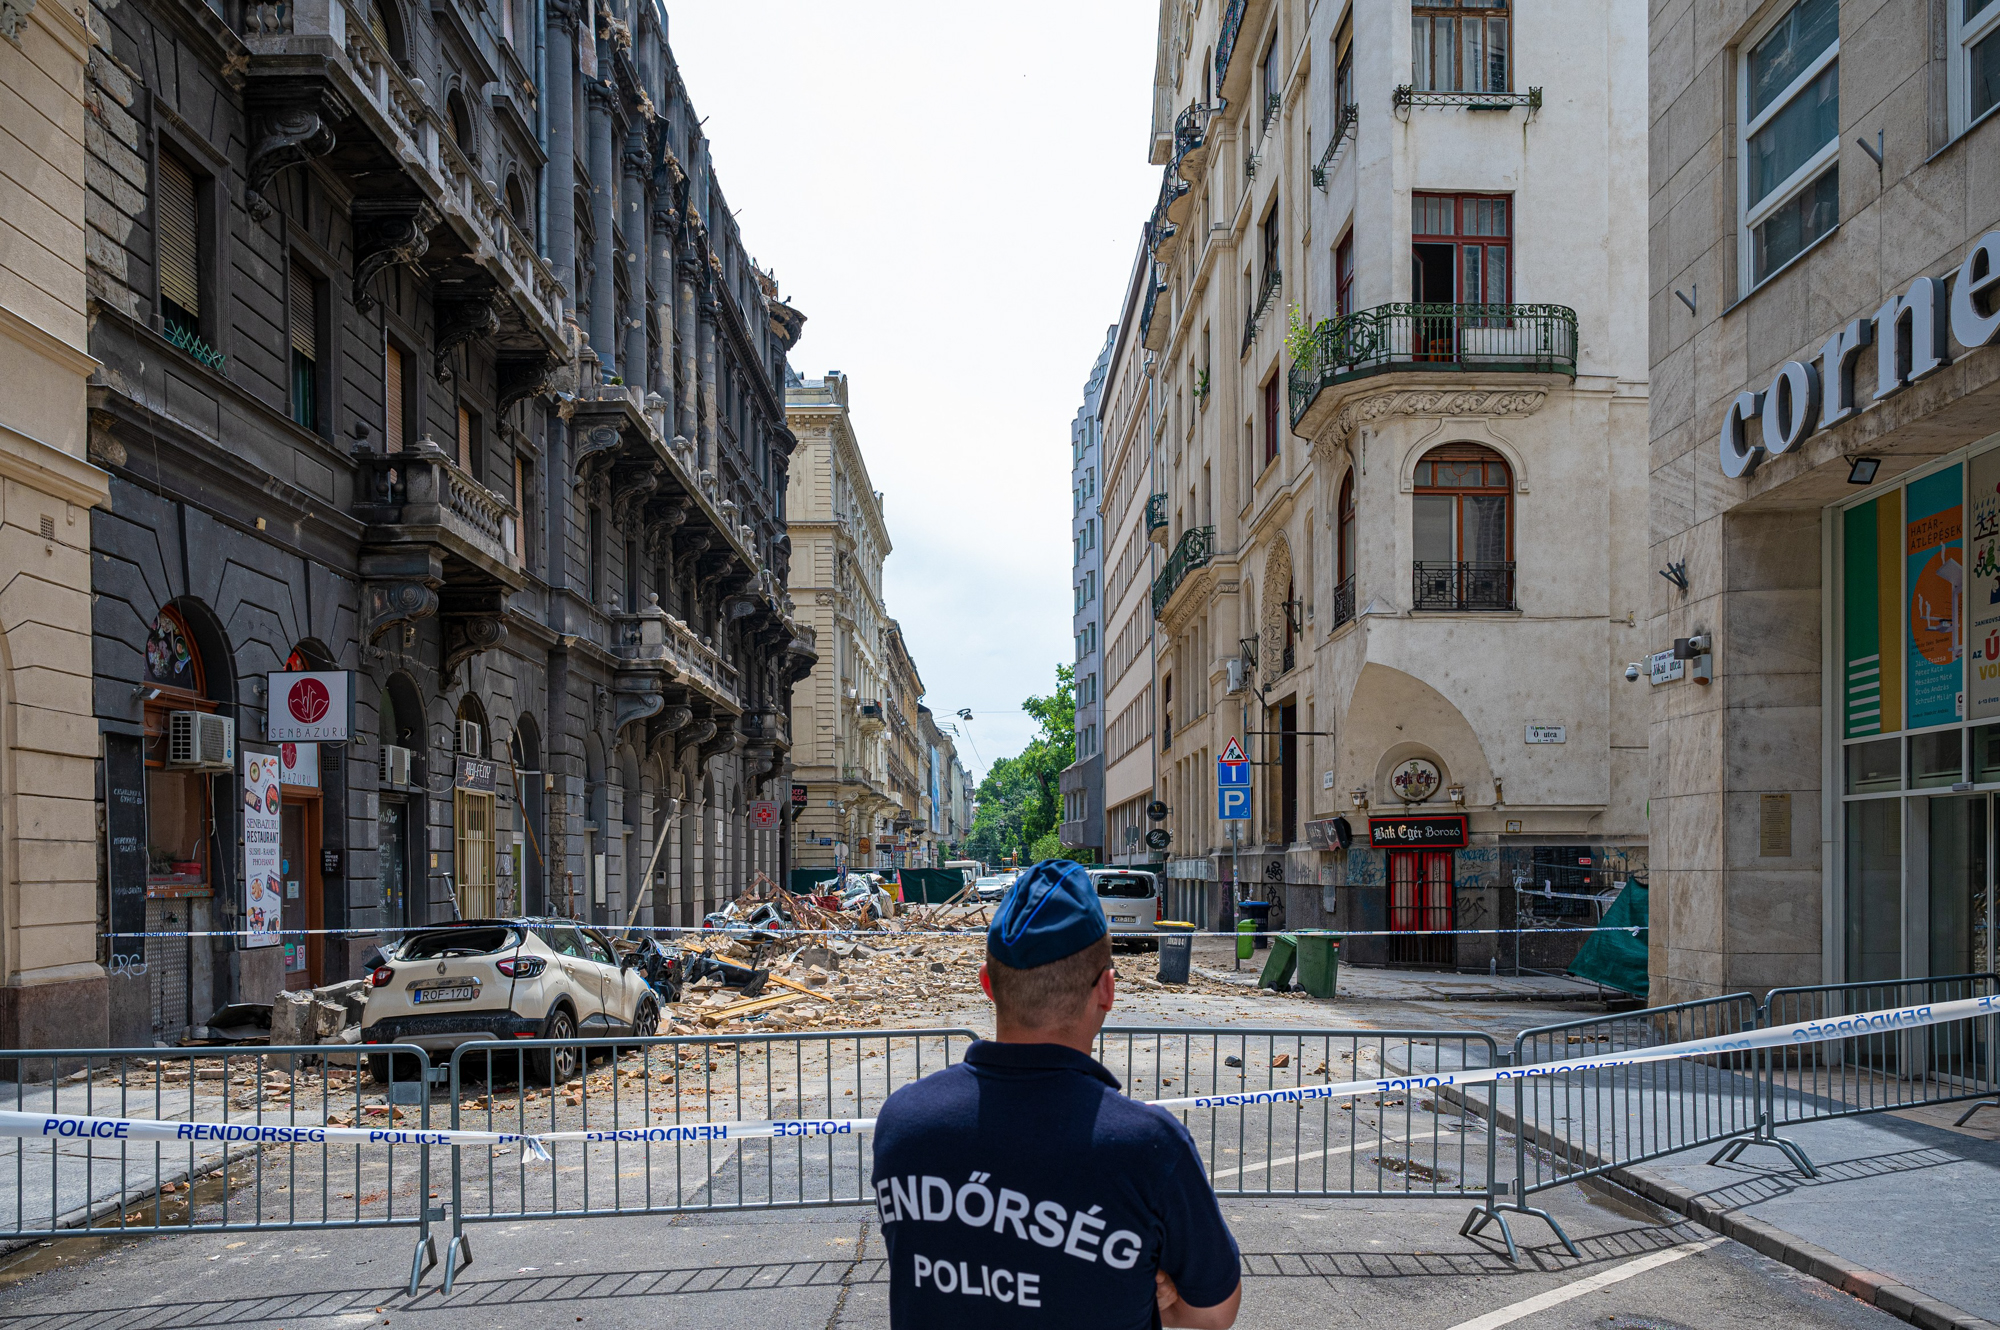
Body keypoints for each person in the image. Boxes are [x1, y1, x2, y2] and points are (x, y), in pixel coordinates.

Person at [871, 859, 1242, 1329]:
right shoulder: (1149, 1147)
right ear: (1107, 990)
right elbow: (1214, 1313)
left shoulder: (903, 1123)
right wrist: (1160, 1299)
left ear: (987, 984)